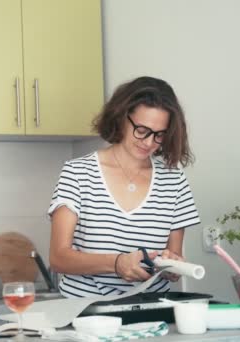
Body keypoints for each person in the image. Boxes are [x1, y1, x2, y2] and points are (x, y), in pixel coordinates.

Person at [48, 76, 200, 298]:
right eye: (142, 130)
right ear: (121, 117)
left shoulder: (174, 181)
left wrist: (172, 267)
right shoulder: (78, 173)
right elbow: (58, 258)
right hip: (87, 316)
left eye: (159, 135)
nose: (149, 142)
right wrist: (117, 263)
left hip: (150, 313)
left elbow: (170, 263)